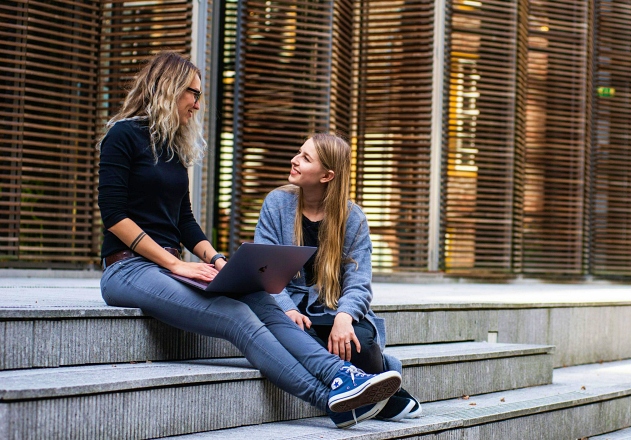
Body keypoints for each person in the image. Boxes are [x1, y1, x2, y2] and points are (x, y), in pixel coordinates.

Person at [96, 51, 401, 429]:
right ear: (168, 87)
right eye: (193, 92)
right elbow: (113, 216)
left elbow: (186, 222)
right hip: (128, 269)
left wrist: (221, 263)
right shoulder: (122, 135)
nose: (197, 102)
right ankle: (330, 400)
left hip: (171, 268)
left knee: (258, 296)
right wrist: (175, 263)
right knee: (237, 316)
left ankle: (341, 375)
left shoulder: (173, 149)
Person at [253, 133, 422, 422]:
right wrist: (288, 309)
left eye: (305, 158)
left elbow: (359, 281)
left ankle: (372, 385)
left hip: (332, 308)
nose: (294, 160)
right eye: (298, 152)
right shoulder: (277, 203)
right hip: (289, 308)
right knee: (295, 337)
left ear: (327, 175)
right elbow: (263, 268)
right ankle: (388, 395)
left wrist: (345, 317)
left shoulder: (352, 217)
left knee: (361, 341)